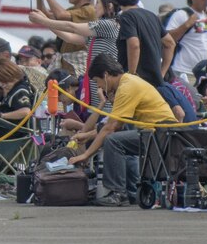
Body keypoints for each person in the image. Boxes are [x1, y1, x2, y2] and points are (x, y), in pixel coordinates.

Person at [67, 54, 175, 207]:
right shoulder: (128, 81)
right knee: (116, 138)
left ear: (105, 75)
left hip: (159, 134)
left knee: (113, 141)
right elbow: (115, 126)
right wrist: (87, 135)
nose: (99, 87)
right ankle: (126, 191)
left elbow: (110, 128)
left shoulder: (126, 87)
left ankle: (118, 193)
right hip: (155, 132)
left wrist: (85, 155)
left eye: (97, 82)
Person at [32, 0, 102, 76]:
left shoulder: (89, 10)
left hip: (77, 64)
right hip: (67, 62)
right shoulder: (74, 10)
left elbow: (60, 15)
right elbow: (46, 15)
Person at [111, 0, 166, 87]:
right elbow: (170, 43)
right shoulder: (151, 15)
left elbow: (134, 44)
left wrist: (131, 75)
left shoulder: (126, 16)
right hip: (155, 84)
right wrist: (162, 73)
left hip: (137, 85)